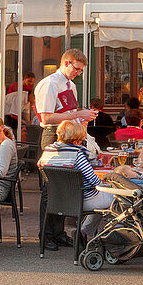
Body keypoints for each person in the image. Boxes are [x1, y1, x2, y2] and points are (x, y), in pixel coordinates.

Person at [34, 47, 96, 250]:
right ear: (66, 63)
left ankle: (58, 233)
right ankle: (45, 235)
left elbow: (69, 112)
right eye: (76, 69)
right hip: (53, 135)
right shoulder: (49, 84)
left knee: (64, 187)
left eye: (80, 70)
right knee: (50, 188)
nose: (78, 73)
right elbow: (46, 117)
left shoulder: (70, 85)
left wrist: (84, 116)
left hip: (69, 136)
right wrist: (77, 115)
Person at [38, 119, 114, 239]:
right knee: (118, 198)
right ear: (77, 139)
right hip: (79, 201)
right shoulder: (77, 154)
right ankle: (112, 238)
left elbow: (41, 167)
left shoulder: (47, 151)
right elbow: (95, 181)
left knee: (103, 200)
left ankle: (83, 232)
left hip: (57, 200)